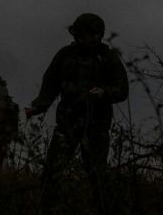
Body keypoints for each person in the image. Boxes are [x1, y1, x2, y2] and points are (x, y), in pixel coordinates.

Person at [25, 13, 128, 214]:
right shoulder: (65, 55)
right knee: (52, 172)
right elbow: (50, 85)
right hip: (67, 122)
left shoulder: (108, 58)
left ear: (97, 35)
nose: (83, 39)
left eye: (88, 35)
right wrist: (39, 106)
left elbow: (122, 89)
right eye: (80, 34)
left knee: (97, 174)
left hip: (96, 125)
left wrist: (104, 93)